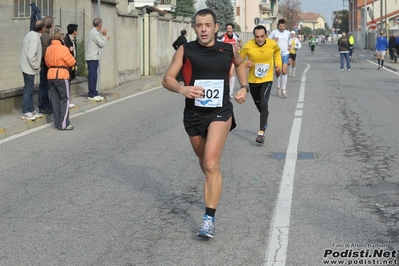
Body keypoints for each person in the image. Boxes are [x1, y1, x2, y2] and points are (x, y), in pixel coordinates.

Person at [162, 8, 248, 239]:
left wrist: (244, 87)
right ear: (194, 28)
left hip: (220, 112)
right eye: (199, 25)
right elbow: (167, 78)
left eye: (207, 25)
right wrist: (182, 88)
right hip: (193, 114)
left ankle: (208, 219)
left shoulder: (228, 48)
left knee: (210, 163)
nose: (203, 29)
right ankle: (214, 183)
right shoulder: (185, 49)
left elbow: (241, 64)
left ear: (216, 27)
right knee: (204, 162)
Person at [240, 25, 282, 144]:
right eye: (257, 37)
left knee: (264, 103)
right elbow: (238, 60)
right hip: (253, 80)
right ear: (254, 37)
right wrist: (245, 63)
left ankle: (261, 133)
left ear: (266, 35)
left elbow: (277, 52)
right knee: (260, 105)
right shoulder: (248, 46)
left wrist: (277, 64)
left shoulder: (272, 44)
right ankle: (265, 116)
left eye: (262, 36)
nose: (259, 39)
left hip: (267, 78)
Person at [45, 26, 76, 130]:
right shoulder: (63, 48)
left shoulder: (49, 48)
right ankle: (64, 124)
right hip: (62, 75)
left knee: (55, 100)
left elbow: (47, 62)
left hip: (50, 75)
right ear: (60, 36)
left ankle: (57, 123)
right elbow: (72, 62)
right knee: (65, 99)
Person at [19, 20, 45, 120]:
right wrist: (36, 66)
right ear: (42, 28)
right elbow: (31, 55)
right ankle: (26, 112)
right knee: (28, 89)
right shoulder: (35, 37)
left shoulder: (30, 34)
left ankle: (31, 110)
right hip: (29, 67)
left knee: (29, 89)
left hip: (26, 66)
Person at [85, 17, 110, 101]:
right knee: (92, 76)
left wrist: (104, 38)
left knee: (94, 76)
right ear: (100, 25)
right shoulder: (94, 33)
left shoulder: (93, 32)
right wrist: (104, 36)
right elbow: (102, 44)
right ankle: (92, 94)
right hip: (92, 57)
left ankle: (94, 92)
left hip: (93, 57)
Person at [217, 23, 242, 98]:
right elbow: (217, 43)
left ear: (233, 29)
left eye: (230, 28)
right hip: (224, 58)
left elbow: (240, 41)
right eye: (227, 28)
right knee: (225, 74)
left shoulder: (236, 36)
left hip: (233, 57)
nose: (229, 30)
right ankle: (224, 90)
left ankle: (230, 92)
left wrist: (239, 46)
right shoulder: (222, 37)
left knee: (231, 73)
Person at [268, 19, 290, 98]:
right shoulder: (274, 32)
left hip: (285, 53)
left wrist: (290, 47)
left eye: (283, 26)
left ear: (285, 26)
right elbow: (267, 42)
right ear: (278, 25)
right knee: (278, 71)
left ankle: (284, 89)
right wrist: (274, 40)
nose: (281, 27)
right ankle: (278, 88)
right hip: (277, 54)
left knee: (284, 71)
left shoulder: (288, 33)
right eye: (280, 26)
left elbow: (290, 43)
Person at [38, 16, 54, 115]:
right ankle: (44, 106)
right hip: (46, 64)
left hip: (42, 64)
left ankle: (44, 105)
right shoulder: (48, 37)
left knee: (44, 86)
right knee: (45, 86)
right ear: (51, 25)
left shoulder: (41, 35)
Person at [64, 23, 79, 108]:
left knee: (69, 83)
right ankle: (67, 102)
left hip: (72, 64)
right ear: (74, 31)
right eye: (77, 30)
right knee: (67, 84)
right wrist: (68, 49)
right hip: (67, 65)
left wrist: (75, 64)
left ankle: (68, 101)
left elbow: (74, 54)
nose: (77, 32)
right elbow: (65, 53)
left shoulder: (74, 39)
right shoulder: (66, 40)